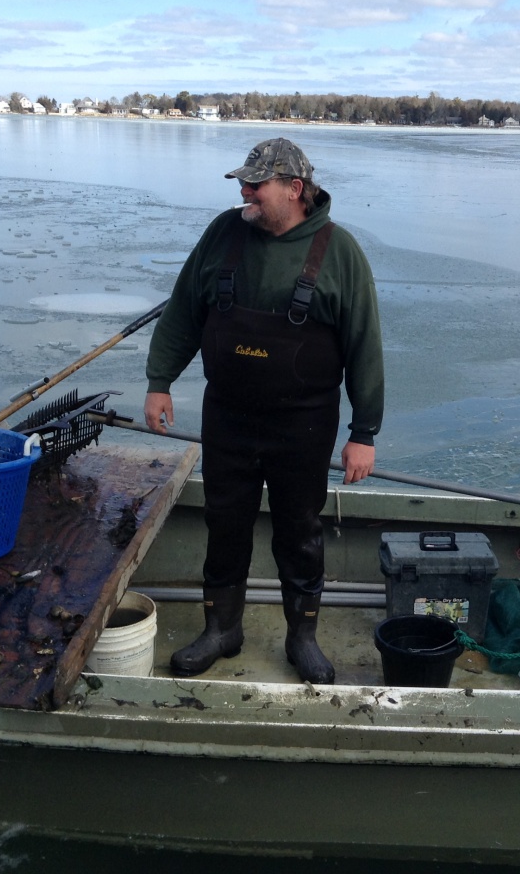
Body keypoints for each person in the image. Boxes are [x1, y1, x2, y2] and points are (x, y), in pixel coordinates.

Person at [143, 138, 385, 684]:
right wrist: (161, 381)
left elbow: (364, 347)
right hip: (227, 415)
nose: (244, 191)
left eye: (256, 183)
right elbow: (185, 308)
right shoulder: (223, 234)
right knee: (224, 524)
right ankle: (222, 630)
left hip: (304, 423)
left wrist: (363, 431)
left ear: (294, 189)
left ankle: (302, 638)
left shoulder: (339, 252)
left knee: (298, 533)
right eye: (242, 182)